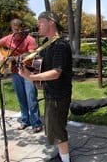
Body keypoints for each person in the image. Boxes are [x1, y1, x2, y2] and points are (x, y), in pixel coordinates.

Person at [19, 11, 72, 162]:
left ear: (51, 22)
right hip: (51, 93)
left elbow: (56, 72)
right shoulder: (46, 44)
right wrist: (26, 65)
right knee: (52, 129)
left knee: (58, 131)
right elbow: (40, 65)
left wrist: (31, 77)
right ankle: (62, 156)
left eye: (40, 21)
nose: (38, 25)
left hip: (59, 95)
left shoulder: (60, 44)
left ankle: (66, 160)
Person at [0, 18, 43, 133]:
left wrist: (14, 58)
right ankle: (25, 121)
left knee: (31, 97)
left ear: (22, 28)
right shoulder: (8, 39)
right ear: (12, 29)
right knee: (21, 98)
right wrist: (1, 56)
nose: (17, 33)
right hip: (16, 72)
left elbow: (30, 56)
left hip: (28, 72)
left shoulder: (29, 39)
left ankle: (36, 123)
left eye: (19, 30)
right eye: (14, 30)